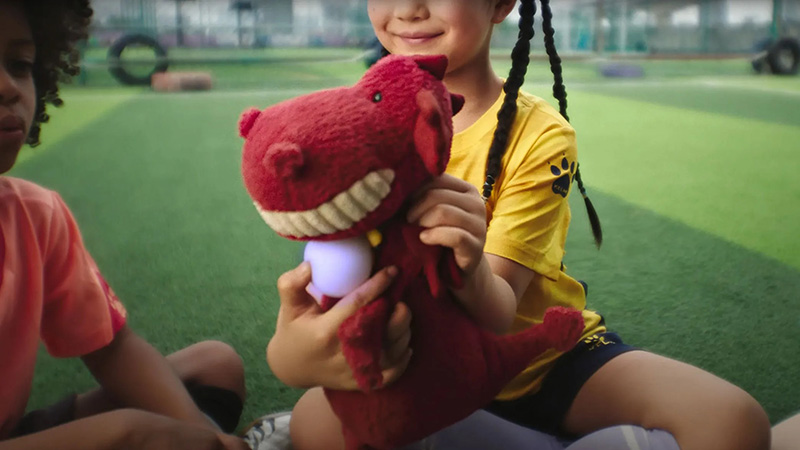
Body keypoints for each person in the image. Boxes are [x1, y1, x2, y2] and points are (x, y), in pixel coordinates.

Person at [276, 1, 772, 450]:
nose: (408, 9)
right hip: (422, 375)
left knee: (732, 422)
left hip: (544, 363)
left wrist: (468, 268)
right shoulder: (349, 132)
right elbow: (330, 297)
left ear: (502, 4)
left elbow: (498, 314)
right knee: (315, 425)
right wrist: (289, 357)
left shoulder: (539, 135)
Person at [0, 1, 247, 448]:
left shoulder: (36, 215)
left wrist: (202, 434)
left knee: (215, 366)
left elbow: (111, 348)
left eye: (18, 64)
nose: (7, 87)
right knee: (132, 435)